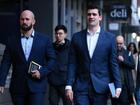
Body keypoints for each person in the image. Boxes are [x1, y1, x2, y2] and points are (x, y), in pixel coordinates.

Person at [65, 4, 122, 105]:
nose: (91, 16)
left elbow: (113, 63)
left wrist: (118, 85)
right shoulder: (76, 37)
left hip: (101, 87)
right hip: (81, 86)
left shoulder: (110, 38)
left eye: (94, 14)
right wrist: (69, 85)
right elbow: (72, 63)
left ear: (100, 17)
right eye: (89, 14)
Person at [0, 10, 56, 105]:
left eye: (27, 19)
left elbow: (52, 60)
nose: (24, 22)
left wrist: (41, 72)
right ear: (19, 21)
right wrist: (1, 82)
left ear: (33, 21)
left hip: (37, 86)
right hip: (17, 87)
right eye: (22, 19)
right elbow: (6, 62)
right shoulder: (12, 40)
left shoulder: (45, 40)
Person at [48, 25, 72, 105]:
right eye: (56, 33)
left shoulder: (71, 47)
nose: (58, 36)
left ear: (65, 34)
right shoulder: (50, 46)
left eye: (60, 33)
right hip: (53, 81)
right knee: (52, 102)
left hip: (65, 82)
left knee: (67, 103)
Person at [111, 35, 135, 105]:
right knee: (114, 102)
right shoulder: (112, 52)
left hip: (124, 84)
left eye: (120, 43)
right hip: (113, 83)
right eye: (117, 43)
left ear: (123, 43)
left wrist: (123, 61)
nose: (119, 45)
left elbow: (133, 66)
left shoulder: (128, 53)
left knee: (124, 102)